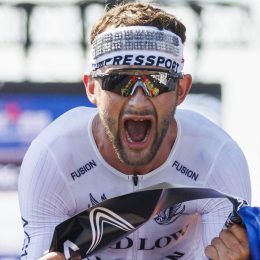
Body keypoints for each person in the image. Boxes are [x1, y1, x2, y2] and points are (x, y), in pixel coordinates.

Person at [18, 2, 251, 260]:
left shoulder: (216, 157)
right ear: (92, 89)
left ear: (181, 90)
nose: (138, 102)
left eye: (157, 82)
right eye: (118, 81)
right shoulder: (54, 157)